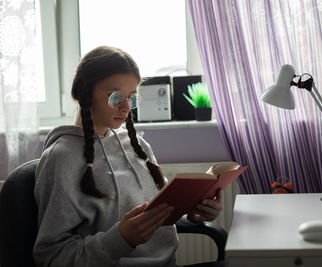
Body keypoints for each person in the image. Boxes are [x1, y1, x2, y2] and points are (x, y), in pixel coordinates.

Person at [33, 46, 223, 267]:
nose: (125, 108)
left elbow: (147, 215)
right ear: (85, 93)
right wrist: (119, 240)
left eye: (132, 97)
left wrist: (192, 213)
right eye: (115, 96)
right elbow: (51, 257)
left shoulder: (137, 145)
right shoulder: (61, 159)